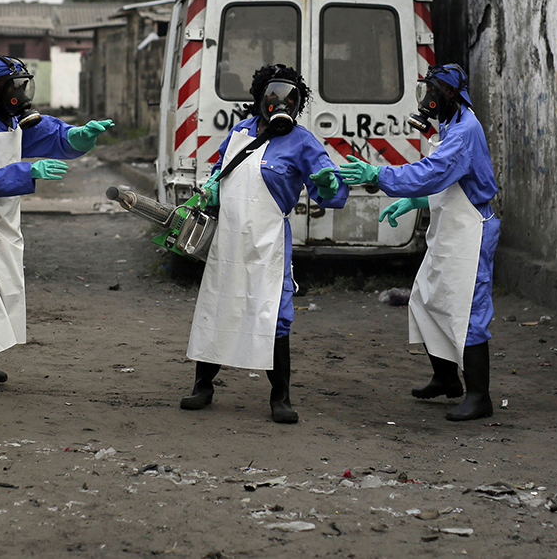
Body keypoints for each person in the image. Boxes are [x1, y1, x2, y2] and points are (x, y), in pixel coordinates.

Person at [181, 64, 346, 423]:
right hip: (228, 240)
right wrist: (210, 187)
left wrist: (330, 185)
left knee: (273, 315)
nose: (280, 102)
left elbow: (330, 189)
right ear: (260, 98)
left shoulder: (303, 142)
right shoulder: (240, 132)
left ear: (298, 104)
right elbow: (219, 172)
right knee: (219, 306)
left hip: (268, 243)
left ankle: (280, 397)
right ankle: (203, 386)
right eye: (273, 95)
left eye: (290, 97)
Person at [337, 63, 500, 421]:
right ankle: (446, 379)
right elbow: (451, 182)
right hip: (452, 228)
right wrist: (416, 200)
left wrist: (378, 174)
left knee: (468, 311)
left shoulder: (464, 131)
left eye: (433, 93)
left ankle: (479, 396)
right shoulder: (453, 122)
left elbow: (433, 173)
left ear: (451, 94)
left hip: (470, 231)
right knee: (426, 300)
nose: (427, 100)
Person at [0, 55, 114, 395]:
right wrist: (29, 172)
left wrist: (81, 135)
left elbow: (56, 137)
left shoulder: (16, 121)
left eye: (24, 85)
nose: (21, 94)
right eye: (14, 86)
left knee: (3, 288)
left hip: (5, 218)